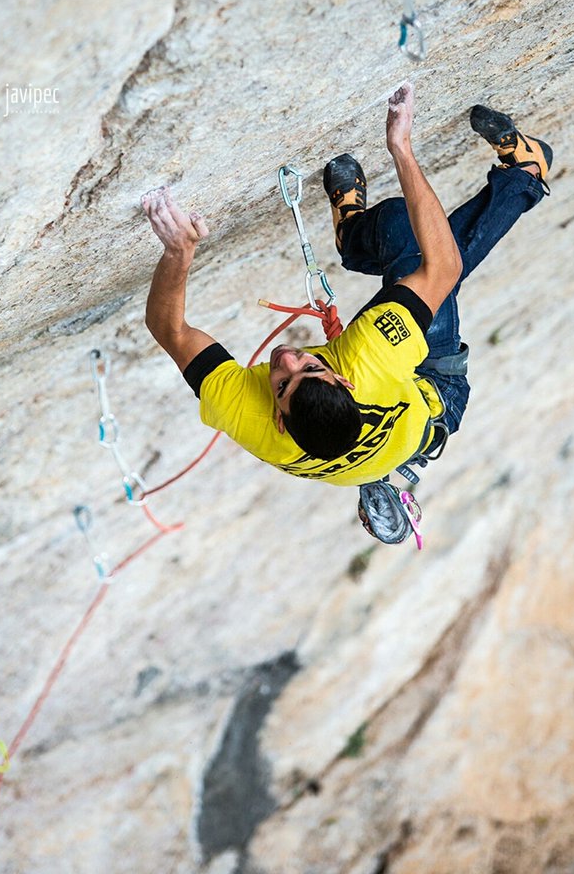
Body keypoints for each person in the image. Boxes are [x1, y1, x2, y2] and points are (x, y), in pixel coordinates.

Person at [141, 83, 553, 544]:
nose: (288, 359)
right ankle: (526, 178)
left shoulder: (245, 414)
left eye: (283, 382)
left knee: (404, 235)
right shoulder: (368, 358)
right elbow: (444, 268)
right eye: (309, 367)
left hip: (385, 440)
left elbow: (167, 329)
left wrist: (178, 254)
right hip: (434, 390)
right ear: (343, 380)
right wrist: (400, 147)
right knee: (408, 239)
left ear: (278, 418)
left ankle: (358, 236)